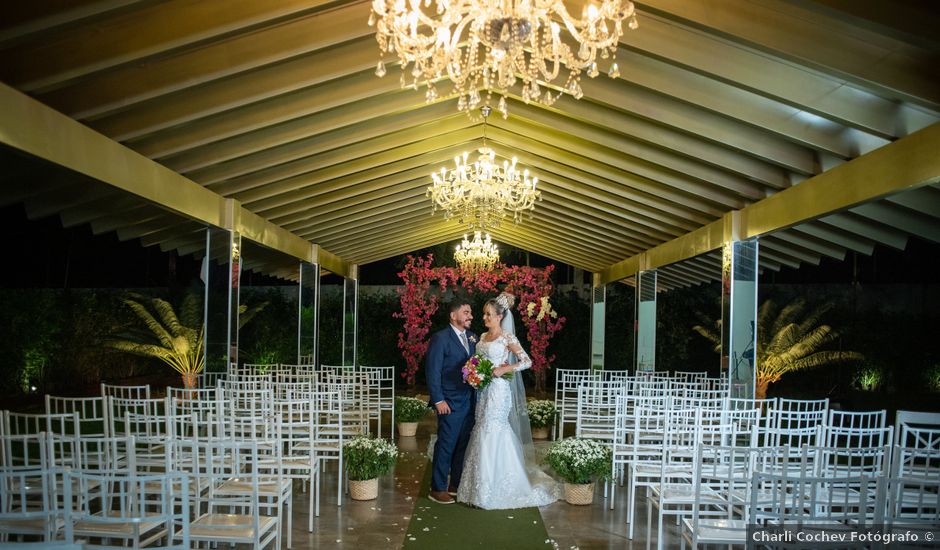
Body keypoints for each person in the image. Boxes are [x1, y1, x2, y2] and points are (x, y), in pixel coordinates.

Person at [457, 292, 560, 509]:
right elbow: (476, 360)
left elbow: (527, 361)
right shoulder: (483, 338)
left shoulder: (507, 338)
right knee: (481, 428)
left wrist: (505, 368)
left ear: (500, 316)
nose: (484, 318)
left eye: (488, 315)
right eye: (484, 314)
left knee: (494, 429)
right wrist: (474, 373)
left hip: (499, 391)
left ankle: (497, 488)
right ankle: (478, 488)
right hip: (483, 390)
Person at [425, 299, 476, 504]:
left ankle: (455, 483)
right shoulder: (440, 338)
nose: (470, 316)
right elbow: (432, 371)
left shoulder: (472, 337)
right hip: (449, 402)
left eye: (470, 312)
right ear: (453, 316)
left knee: (462, 444)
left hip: (469, 400)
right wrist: (438, 400)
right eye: (466, 312)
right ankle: (437, 488)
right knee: (446, 444)